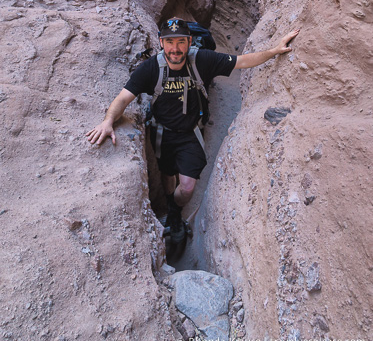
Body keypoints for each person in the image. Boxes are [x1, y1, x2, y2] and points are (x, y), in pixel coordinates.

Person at [86, 18, 299, 242]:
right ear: (161, 42)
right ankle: (171, 208)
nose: (175, 49)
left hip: (190, 133)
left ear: (189, 42)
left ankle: (175, 211)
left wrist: (274, 50)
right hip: (162, 132)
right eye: (169, 42)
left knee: (186, 187)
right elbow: (123, 99)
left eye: (180, 42)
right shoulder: (150, 68)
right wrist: (108, 121)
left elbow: (243, 61)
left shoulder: (202, 60)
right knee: (167, 173)